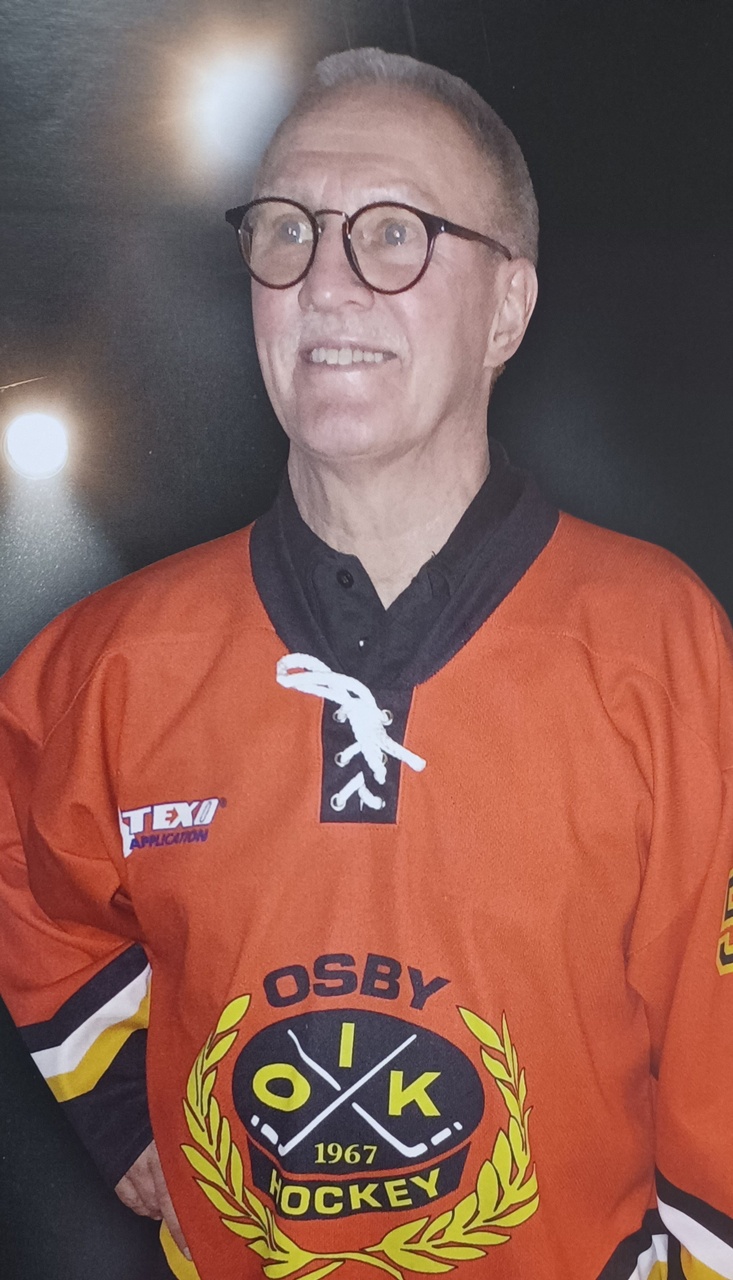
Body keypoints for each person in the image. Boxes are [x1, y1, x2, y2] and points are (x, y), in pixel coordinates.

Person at [1, 45, 732, 1280]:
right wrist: (124, 1102)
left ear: (506, 308)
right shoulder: (111, 663)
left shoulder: (658, 647)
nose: (325, 283)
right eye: (287, 230)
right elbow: (27, 872)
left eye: (394, 233)